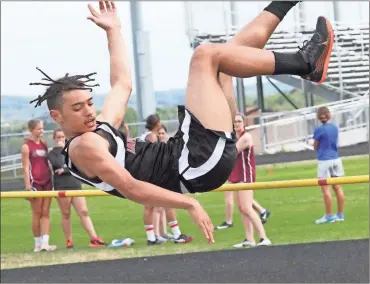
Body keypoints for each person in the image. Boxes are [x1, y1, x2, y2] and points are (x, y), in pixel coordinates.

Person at [29, 0, 334, 243]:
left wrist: (113, 31)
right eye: (79, 108)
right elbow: (132, 187)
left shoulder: (97, 129)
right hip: (194, 164)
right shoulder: (84, 146)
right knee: (205, 56)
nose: (89, 111)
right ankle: (305, 63)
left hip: (193, 155)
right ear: (57, 117)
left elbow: (122, 83)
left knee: (229, 55)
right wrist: (188, 205)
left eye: (90, 103)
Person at [48, 128, 106, 248]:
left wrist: (64, 170)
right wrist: (60, 150)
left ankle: (94, 238)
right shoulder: (52, 153)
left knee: (83, 211)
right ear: (54, 139)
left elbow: (74, 166)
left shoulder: (71, 150)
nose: (61, 139)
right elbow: (58, 164)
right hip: (62, 186)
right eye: (58, 137)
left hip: (75, 184)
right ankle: (69, 240)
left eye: (62, 137)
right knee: (66, 213)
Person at [139, 115, 192, 244]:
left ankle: (152, 238)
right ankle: (176, 234)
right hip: (154, 175)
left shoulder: (144, 136)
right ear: (156, 123)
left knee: (150, 206)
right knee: (167, 203)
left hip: (147, 174)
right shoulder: (151, 136)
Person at [216, 114, 271, 231]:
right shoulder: (233, 137)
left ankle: (263, 237)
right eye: (234, 122)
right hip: (235, 174)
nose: (236, 123)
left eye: (239, 121)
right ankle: (250, 238)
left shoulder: (246, 137)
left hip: (245, 175)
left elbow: (231, 153)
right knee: (242, 207)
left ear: (244, 123)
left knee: (246, 208)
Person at [21, 119, 56, 252]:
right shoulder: (26, 146)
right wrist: (28, 186)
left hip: (47, 180)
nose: (41, 131)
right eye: (38, 129)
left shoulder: (44, 143)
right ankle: (37, 244)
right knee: (37, 213)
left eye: (42, 128)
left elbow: (47, 162)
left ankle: (45, 244)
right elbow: (25, 168)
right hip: (35, 182)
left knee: (46, 212)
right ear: (31, 130)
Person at [313, 106, 345, 224]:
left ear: (318, 117)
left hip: (324, 161)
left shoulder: (319, 130)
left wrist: (317, 148)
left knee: (326, 189)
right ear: (329, 115)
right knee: (337, 188)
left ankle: (328, 216)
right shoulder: (335, 128)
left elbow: (316, 146)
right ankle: (340, 215)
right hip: (336, 159)